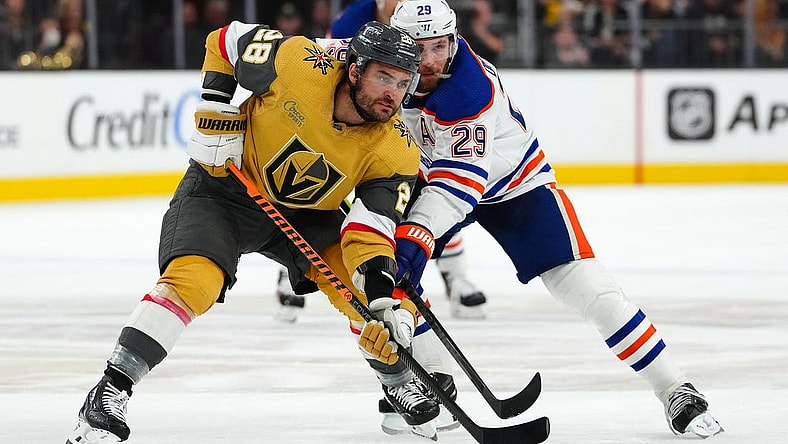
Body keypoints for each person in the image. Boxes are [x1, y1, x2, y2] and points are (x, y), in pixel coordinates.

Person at [65, 20, 447, 443]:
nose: (393, 93)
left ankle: (397, 384)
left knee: (369, 295)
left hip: (307, 215)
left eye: (403, 82)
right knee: (194, 283)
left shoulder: (397, 148)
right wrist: (216, 107)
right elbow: (223, 41)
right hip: (223, 190)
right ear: (355, 70)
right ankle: (110, 390)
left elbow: (371, 228)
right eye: (384, 77)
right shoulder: (297, 64)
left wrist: (379, 300)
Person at [389, 0, 724, 438]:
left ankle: (674, 387)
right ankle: (432, 377)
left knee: (590, 289)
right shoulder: (384, 67)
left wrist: (416, 238)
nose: (431, 60)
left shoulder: (468, 91)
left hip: (513, 186)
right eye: (419, 48)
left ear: (453, 40)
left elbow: (457, 186)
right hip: (433, 175)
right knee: (385, 268)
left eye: (439, 46)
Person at [275, 0, 488, 323]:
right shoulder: (353, 21)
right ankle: (291, 269)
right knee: (314, 193)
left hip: (411, 129)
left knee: (429, 197)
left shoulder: (429, 24)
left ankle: (454, 276)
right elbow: (329, 71)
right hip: (363, 127)